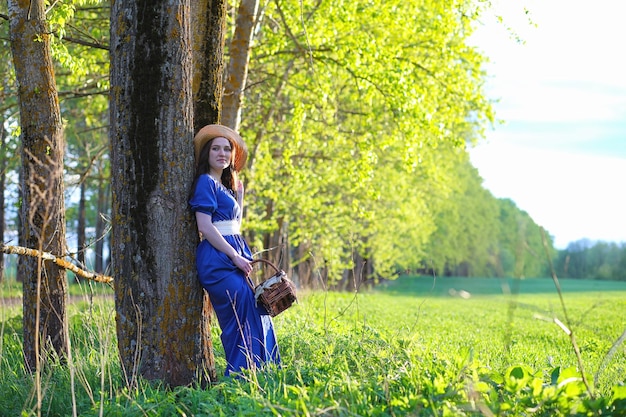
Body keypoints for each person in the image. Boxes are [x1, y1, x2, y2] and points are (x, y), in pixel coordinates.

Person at [189, 124, 280, 377]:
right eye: (215, 148)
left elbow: (233, 225)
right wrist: (235, 256)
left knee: (253, 311)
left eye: (227, 149)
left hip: (233, 256)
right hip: (218, 260)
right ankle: (240, 376)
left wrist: (239, 199)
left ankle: (260, 372)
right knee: (238, 319)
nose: (222, 153)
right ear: (206, 153)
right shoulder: (206, 182)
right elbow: (205, 227)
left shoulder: (223, 185)